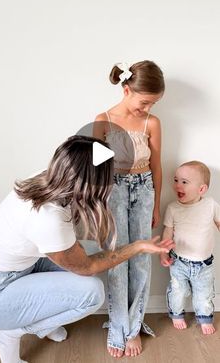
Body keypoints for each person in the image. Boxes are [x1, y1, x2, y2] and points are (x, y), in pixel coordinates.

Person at [0, 135, 174, 363]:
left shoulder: (48, 178)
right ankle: (11, 330)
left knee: (92, 251)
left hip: (21, 265)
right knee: (92, 293)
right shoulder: (49, 219)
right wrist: (139, 246)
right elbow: (87, 266)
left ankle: (40, 318)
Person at [93, 60, 165, 357]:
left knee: (141, 261)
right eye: (144, 101)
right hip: (113, 192)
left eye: (153, 103)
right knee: (117, 259)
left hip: (144, 190)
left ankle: (133, 327)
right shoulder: (103, 120)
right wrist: (96, 208)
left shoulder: (153, 123)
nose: (147, 108)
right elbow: (94, 169)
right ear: (126, 89)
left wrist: (156, 205)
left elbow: (157, 166)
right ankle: (118, 325)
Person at [160, 160, 220, 335]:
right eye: (176, 180)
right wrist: (163, 253)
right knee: (178, 291)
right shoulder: (173, 208)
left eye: (184, 182)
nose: (178, 185)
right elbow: (167, 233)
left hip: (205, 265)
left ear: (201, 189)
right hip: (179, 262)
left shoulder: (211, 205)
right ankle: (176, 314)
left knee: (204, 293)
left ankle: (204, 317)